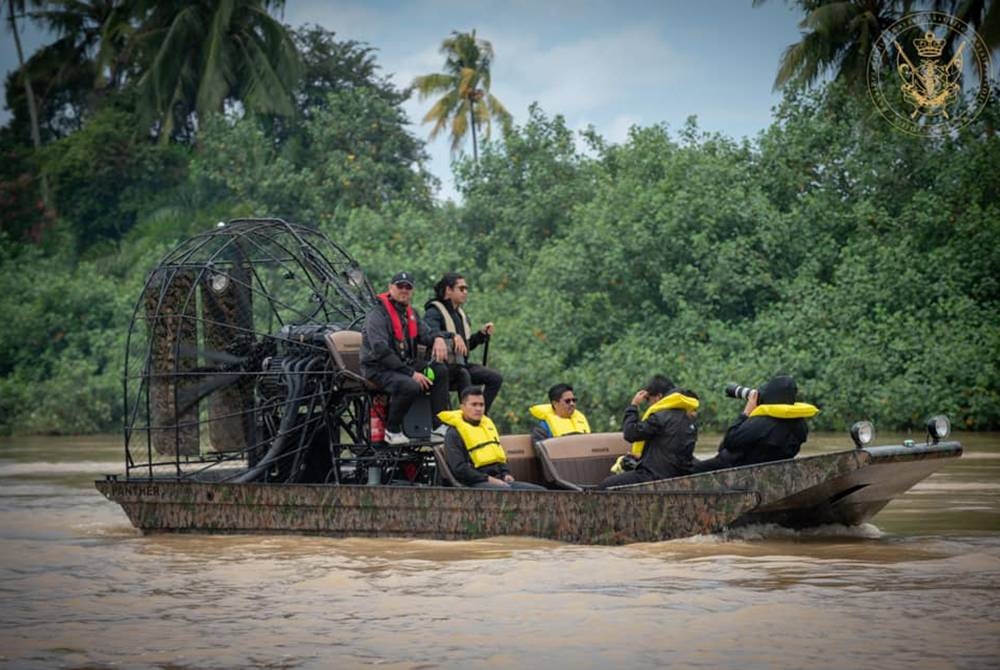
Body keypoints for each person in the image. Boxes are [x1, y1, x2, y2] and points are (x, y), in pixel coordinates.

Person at [360, 271, 451, 446]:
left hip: (402, 365)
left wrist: (438, 338)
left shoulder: (411, 314)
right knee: (410, 384)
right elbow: (381, 350)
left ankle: (437, 425)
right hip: (378, 369)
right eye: (400, 286)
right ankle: (392, 430)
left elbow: (427, 335)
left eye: (408, 287)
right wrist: (411, 373)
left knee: (439, 371)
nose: (404, 290)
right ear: (390, 288)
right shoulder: (377, 315)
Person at [692, 375, 819, 472]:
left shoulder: (762, 423)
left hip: (736, 468)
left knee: (691, 470)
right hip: (769, 471)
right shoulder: (801, 424)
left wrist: (746, 413)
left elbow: (730, 441)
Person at [597, 375, 699, 489]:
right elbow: (668, 449)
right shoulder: (690, 419)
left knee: (605, 486)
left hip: (654, 477)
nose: (648, 404)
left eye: (648, 399)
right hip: (679, 476)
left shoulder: (660, 418)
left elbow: (630, 433)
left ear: (658, 397)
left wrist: (633, 405)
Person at [424, 272, 503, 412]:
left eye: (466, 289)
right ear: (448, 290)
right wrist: (451, 336)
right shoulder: (434, 312)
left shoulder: (460, 314)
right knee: (463, 374)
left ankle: (480, 416)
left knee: (495, 378)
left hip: (460, 364)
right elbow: (429, 333)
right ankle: (467, 418)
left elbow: (464, 347)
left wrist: (480, 335)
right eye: (461, 289)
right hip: (441, 367)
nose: (465, 292)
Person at [440, 386, 547, 489]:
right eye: (474, 404)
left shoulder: (487, 427)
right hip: (473, 483)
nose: (478, 409)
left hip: (499, 480)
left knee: (541, 491)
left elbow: (498, 456)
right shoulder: (453, 434)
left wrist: (506, 474)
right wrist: (488, 479)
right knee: (507, 492)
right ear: (462, 407)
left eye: (481, 405)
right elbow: (459, 469)